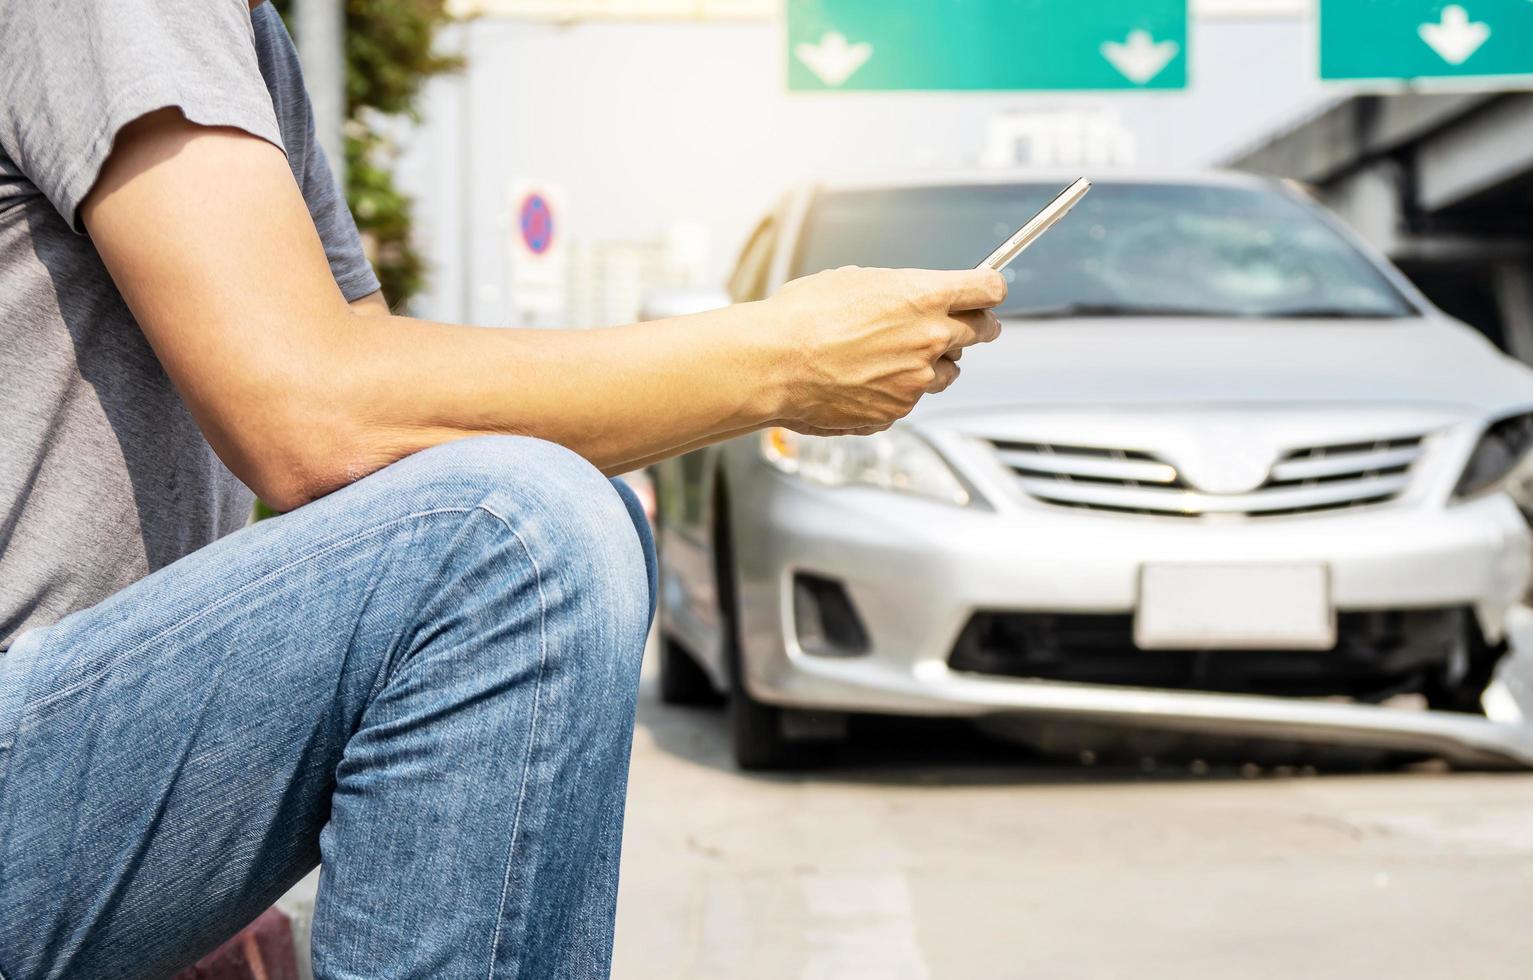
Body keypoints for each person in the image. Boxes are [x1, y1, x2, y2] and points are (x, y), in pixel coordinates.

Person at [0, 2, 1005, 978]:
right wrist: (783, 357)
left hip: (63, 760)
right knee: (515, 540)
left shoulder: (245, 44)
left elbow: (389, 451)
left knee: (542, 508)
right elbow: (310, 411)